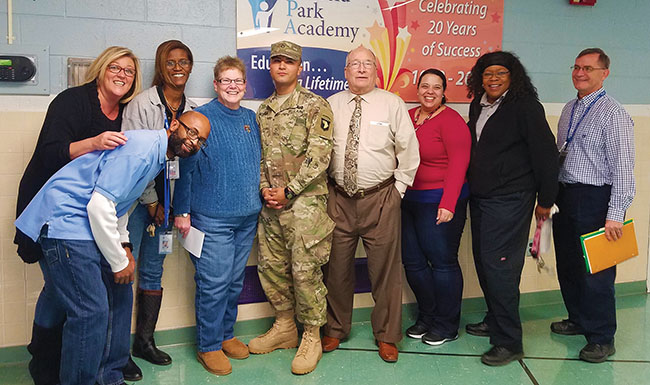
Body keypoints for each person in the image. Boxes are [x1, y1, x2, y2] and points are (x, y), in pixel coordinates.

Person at [14, 111, 210, 385]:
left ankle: (109, 376)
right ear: (174, 124)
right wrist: (118, 262)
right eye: (191, 132)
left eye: (200, 140)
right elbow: (99, 205)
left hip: (85, 225)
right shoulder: (143, 151)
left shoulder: (157, 155)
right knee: (90, 312)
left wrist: (124, 246)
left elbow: (118, 204)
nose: (194, 142)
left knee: (121, 294)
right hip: (66, 223)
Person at [14, 46, 142, 384]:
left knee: (73, 292)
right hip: (51, 209)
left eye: (129, 71)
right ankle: (43, 362)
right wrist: (94, 142)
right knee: (61, 290)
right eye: (115, 67)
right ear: (100, 70)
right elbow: (49, 154)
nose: (121, 75)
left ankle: (88, 362)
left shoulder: (126, 113)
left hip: (91, 214)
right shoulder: (72, 102)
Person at [322, 45, 420, 363]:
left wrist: (399, 191)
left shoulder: (392, 104)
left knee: (385, 272)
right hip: (338, 199)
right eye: (355, 64)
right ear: (346, 71)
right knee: (336, 268)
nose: (361, 69)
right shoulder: (331, 105)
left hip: (381, 198)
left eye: (367, 64)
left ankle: (388, 336)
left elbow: (409, 150)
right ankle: (335, 329)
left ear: (376, 71)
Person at [464, 51, 558, 366]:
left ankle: (509, 341)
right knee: (484, 261)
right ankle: (495, 318)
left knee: (500, 267)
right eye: (487, 73)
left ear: (512, 76)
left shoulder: (526, 108)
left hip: (511, 199)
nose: (493, 78)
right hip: (482, 198)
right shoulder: (479, 104)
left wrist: (545, 200)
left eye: (500, 73)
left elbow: (546, 155)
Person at [248, 40, 335, 375]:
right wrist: (264, 190)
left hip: (305, 206)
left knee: (305, 271)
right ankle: (285, 327)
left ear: (300, 68)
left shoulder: (315, 105)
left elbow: (319, 157)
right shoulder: (264, 109)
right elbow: (259, 156)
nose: (282, 66)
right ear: (270, 66)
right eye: (276, 61)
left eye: (289, 61)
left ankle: (312, 334)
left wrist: (289, 190)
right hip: (271, 204)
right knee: (272, 268)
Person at [173, 56, 261, 376]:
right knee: (213, 283)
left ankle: (225, 335)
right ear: (215, 85)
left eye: (238, 81)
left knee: (234, 282)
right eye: (226, 81)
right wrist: (181, 211)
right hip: (212, 219)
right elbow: (184, 169)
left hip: (246, 218)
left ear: (245, 85)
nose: (233, 86)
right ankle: (208, 345)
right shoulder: (199, 118)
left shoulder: (251, 118)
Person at [551, 48, 635, 363]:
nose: (580, 72)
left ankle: (601, 337)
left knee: (596, 271)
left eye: (588, 67)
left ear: (604, 73)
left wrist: (615, 216)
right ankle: (578, 319)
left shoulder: (614, 113)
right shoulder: (570, 108)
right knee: (569, 264)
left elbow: (624, 171)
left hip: (596, 199)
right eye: (576, 66)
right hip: (566, 196)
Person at [121, 39, 197, 368]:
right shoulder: (141, 105)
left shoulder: (192, 109)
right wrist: (151, 202)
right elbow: (132, 159)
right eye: (171, 62)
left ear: (191, 67)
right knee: (125, 271)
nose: (177, 68)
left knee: (154, 272)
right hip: (139, 204)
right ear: (160, 66)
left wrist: (176, 207)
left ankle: (144, 342)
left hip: (167, 205)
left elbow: (189, 163)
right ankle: (117, 353)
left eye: (183, 62)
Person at [401, 69, 471, 346]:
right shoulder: (409, 117)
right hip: (410, 200)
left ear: (444, 92)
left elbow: (459, 164)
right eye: (425, 86)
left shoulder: (452, 121)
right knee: (414, 263)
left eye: (437, 87)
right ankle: (427, 316)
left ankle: (447, 324)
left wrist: (448, 203)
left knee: (442, 264)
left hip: (441, 201)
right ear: (417, 89)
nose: (430, 91)